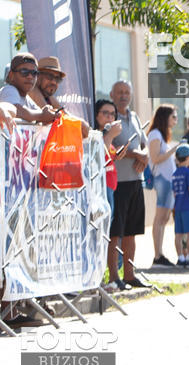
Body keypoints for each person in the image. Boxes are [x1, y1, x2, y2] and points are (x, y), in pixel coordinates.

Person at [104, 80, 149, 288]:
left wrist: (145, 156)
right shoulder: (111, 118)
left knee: (132, 232)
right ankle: (114, 277)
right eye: (119, 92)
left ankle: (130, 274)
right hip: (118, 183)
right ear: (112, 94)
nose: (123, 96)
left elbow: (145, 144)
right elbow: (113, 147)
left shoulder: (134, 117)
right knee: (115, 233)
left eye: (127, 92)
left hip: (136, 181)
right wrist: (136, 155)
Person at [94, 98, 130, 292]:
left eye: (112, 114)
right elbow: (97, 158)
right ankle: (96, 280)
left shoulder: (108, 138)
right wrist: (109, 137)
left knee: (106, 235)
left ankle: (103, 279)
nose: (109, 117)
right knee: (99, 234)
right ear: (96, 115)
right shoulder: (95, 135)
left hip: (110, 186)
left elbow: (108, 159)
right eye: (105, 113)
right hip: (100, 189)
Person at [148, 104, 179, 266]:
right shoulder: (155, 134)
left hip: (168, 179)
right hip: (162, 179)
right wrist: (173, 150)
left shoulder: (161, 135)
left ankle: (160, 253)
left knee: (165, 217)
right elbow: (154, 158)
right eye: (173, 116)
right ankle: (157, 255)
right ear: (164, 117)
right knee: (160, 217)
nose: (176, 120)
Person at [29, 56, 89, 138]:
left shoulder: (48, 96)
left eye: (57, 79)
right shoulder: (31, 90)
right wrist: (79, 123)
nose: (53, 82)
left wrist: (80, 123)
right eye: (49, 77)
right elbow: (50, 116)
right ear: (37, 76)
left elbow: (65, 114)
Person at [0, 53, 58, 125]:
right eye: (24, 72)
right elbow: (16, 110)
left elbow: (38, 114)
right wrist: (42, 115)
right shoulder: (9, 90)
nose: (30, 76)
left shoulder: (27, 99)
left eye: (34, 73)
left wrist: (50, 114)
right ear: (11, 75)